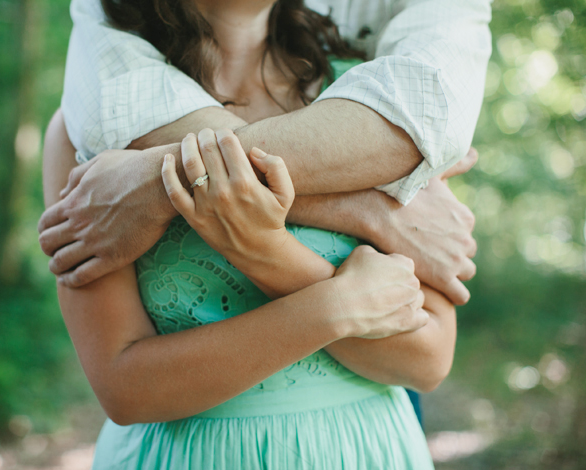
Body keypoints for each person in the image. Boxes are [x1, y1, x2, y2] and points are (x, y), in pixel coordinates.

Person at [40, 0, 489, 468]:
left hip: (365, 449)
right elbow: (124, 389)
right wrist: (336, 305)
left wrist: (264, 253)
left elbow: (427, 359)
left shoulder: (378, 106)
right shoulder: (90, 126)